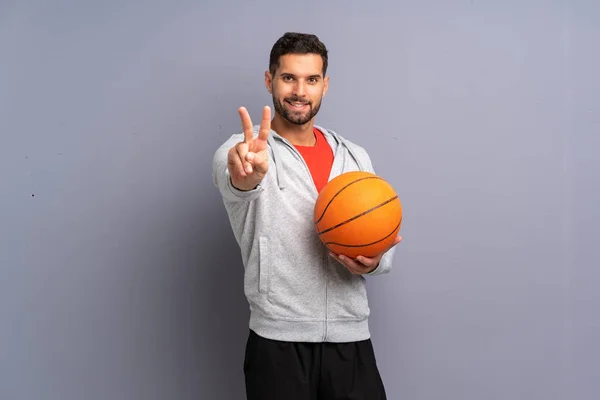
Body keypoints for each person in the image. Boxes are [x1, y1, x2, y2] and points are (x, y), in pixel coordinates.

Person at [212, 32, 402, 400]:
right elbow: (235, 180)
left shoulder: (355, 156)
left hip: (351, 338)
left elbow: (378, 234)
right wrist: (245, 175)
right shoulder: (243, 152)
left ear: (324, 85)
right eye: (288, 78)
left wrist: (375, 261)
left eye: (311, 79)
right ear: (269, 80)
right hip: (278, 342)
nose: (300, 90)